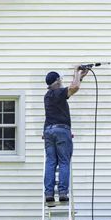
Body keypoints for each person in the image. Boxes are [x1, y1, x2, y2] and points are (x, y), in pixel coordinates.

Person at [43, 67, 88, 205]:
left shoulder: (48, 95)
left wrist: (81, 77)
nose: (62, 81)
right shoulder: (58, 92)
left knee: (51, 162)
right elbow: (74, 88)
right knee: (63, 161)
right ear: (57, 82)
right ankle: (63, 193)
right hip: (62, 131)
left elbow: (72, 87)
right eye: (60, 79)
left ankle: (49, 194)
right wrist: (77, 72)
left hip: (49, 131)